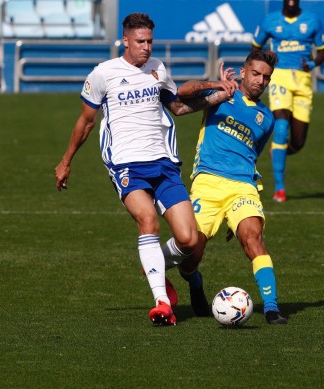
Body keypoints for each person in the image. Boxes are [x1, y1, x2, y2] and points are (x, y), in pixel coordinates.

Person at [54, 13, 236, 326]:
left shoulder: (157, 69)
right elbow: (86, 122)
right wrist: (66, 160)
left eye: (150, 41)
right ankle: (162, 303)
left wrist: (218, 95)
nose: (147, 47)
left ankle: (154, 263)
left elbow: (178, 106)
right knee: (148, 220)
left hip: (163, 163)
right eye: (140, 41)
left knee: (190, 240)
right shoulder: (103, 74)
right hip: (125, 163)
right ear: (125, 40)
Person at [176, 51, 288, 324]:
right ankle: (195, 281)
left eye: (266, 77)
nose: (261, 81)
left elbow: (253, 154)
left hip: (242, 187)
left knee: (253, 238)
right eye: (256, 74)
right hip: (208, 183)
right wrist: (215, 84)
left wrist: (234, 215)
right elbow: (181, 95)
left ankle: (272, 308)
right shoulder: (222, 96)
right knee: (190, 255)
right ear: (243, 71)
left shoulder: (266, 118)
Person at [251, 0, 324, 202]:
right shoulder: (270, 20)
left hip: (302, 80)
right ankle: (280, 189)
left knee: (298, 142)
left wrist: (311, 63)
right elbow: (255, 47)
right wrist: (264, 61)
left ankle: (278, 150)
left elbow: (323, 51)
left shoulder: (312, 20)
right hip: (280, 77)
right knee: (282, 127)